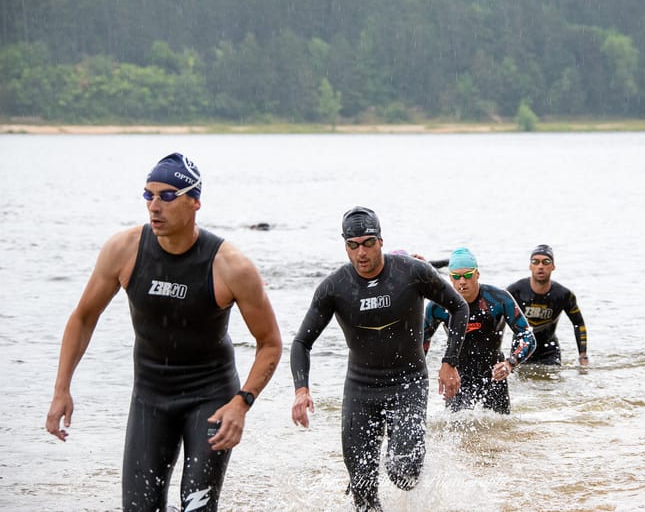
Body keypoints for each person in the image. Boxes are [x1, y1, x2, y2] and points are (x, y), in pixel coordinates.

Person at [45, 153, 283, 511]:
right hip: (150, 397)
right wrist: (61, 388)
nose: (154, 206)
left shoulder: (230, 266)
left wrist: (242, 402)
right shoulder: (123, 250)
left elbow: (270, 343)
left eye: (167, 196)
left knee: (198, 507)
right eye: (148, 195)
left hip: (211, 398)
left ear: (195, 202)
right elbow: (83, 317)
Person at [291, 206, 469, 512]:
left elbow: (459, 307)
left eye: (368, 243)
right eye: (353, 245)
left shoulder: (412, 273)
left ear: (381, 241)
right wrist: (301, 389)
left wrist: (448, 361)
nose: (361, 252)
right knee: (362, 490)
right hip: (360, 390)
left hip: (408, 384)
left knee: (402, 472)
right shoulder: (334, 288)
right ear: (345, 245)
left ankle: (411, 458)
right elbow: (301, 342)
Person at [424, 247, 536, 414]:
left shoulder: (498, 299)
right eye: (456, 276)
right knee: (455, 429)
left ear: (477, 274)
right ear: (450, 278)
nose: (462, 281)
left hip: (493, 374)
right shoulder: (438, 305)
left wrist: (510, 363)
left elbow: (528, 337)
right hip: (457, 376)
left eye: (468, 275)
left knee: (502, 430)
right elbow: (421, 342)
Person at [507, 244, 588, 367]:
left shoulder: (563, 295)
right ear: (530, 266)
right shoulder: (515, 291)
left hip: (549, 351)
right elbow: (497, 321)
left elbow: (578, 324)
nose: (540, 266)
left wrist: (583, 356)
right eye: (536, 262)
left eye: (546, 262)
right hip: (521, 349)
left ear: (553, 266)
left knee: (551, 384)